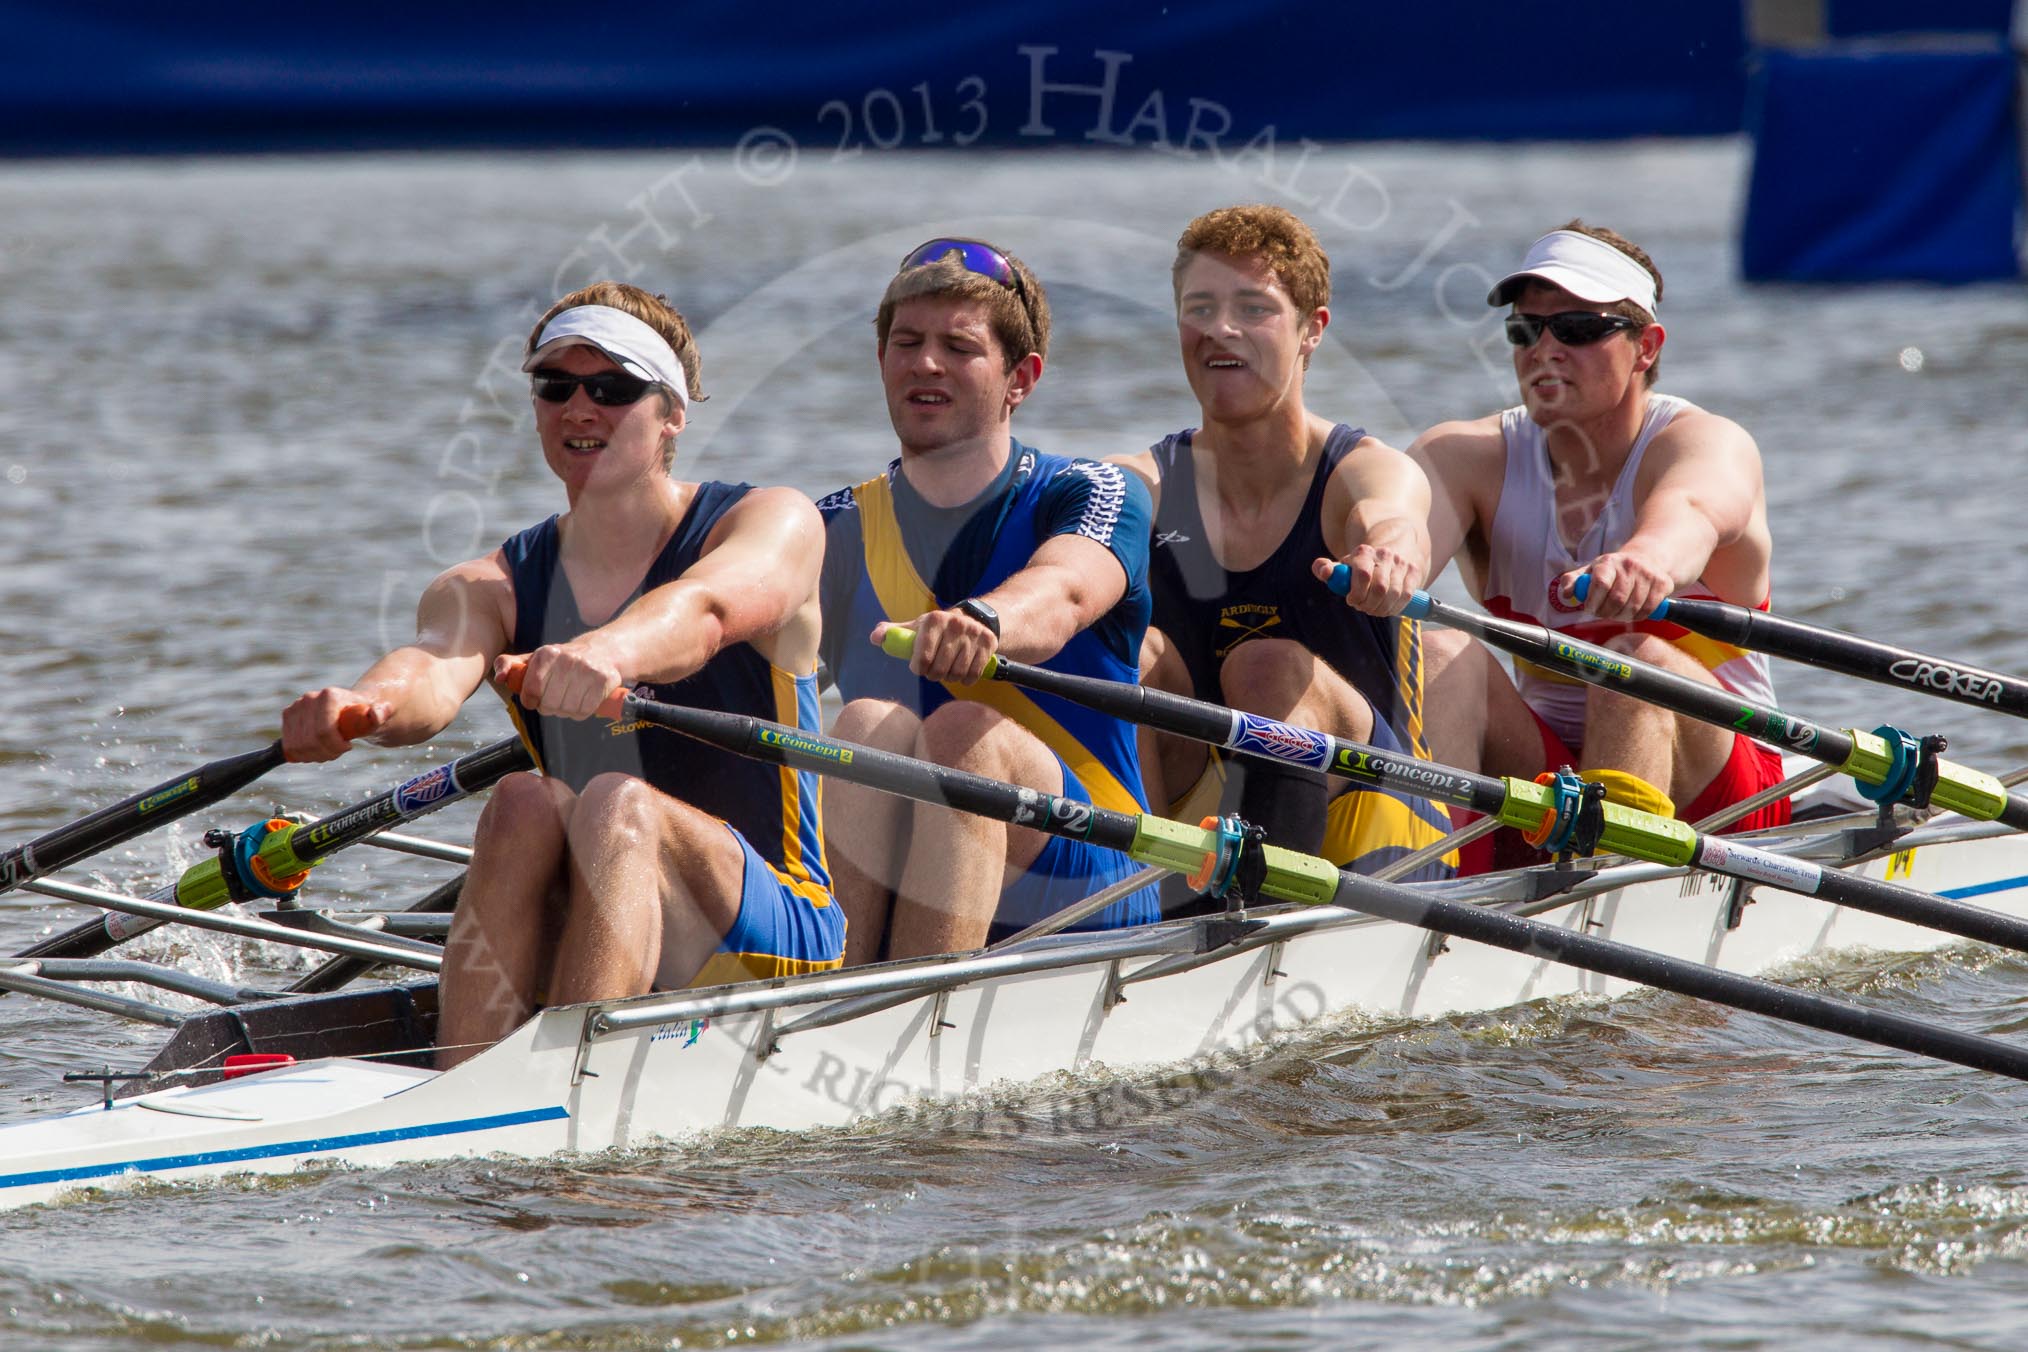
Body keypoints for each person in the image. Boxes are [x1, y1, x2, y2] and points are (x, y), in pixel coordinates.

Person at [280, 282, 841, 1069]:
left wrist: (608, 652)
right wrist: (364, 704)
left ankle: (567, 1088)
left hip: (775, 930)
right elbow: (433, 666)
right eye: (556, 386)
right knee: (521, 800)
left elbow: (705, 610)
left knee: (617, 801)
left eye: (612, 388)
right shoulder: (492, 583)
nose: (580, 407)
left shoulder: (769, 521)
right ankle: (464, 1080)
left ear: (672, 413)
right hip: (599, 914)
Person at [817, 237, 1159, 961]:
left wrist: (986, 621)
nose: (925, 363)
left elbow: (1064, 591)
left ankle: (914, 996)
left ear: (1020, 378)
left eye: (959, 347)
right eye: (907, 342)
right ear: (881, 359)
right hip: (904, 869)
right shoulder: (833, 529)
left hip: (1090, 873)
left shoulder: (1094, 491)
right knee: (866, 723)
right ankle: (830, 988)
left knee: (962, 733)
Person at [1411, 221, 1789, 847]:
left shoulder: (1705, 443)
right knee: (1440, 653)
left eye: (1578, 328)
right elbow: (1399, 537)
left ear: (1646, 347)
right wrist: (1378, 563)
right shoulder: (1463, 458)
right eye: (1526, 330)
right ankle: (1436, 874)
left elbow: (1692, 510)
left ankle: (1606, 878)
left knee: (1633, 663)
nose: (1545, 349)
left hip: (1728, 795)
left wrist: (1646, 559)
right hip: (1554, 782)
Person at [1110, 204, 1457, 881]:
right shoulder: (1139, 482)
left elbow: (1396, 515)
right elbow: (1074, 543)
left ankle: (1258, 909)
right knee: (1130, 656)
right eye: (1200, 308)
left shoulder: (1361, 470)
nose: (1221, 328)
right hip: (1212, 823)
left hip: (1377, 821)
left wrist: (1390, 553)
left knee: (1266, 666)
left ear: (1311, 330)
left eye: (1254, 308)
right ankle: (1138, 901)